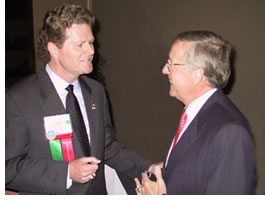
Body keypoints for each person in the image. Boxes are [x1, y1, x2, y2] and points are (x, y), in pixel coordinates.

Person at [5, 3, 151, 195]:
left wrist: (149, 171)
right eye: (80, 45)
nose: (91, 50)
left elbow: (107, 147)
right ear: (54, 49)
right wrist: (66, 172)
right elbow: (7, 167)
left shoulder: (96, 91)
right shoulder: (19, 100)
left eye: (90, 42)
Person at [135, 30, 256, 195]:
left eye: (171, 64)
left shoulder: (231, 133)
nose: (164, 70)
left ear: (198, 74)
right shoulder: (197, 113)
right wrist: (167, 169)